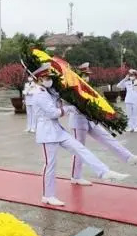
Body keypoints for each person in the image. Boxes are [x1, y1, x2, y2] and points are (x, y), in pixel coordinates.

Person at [31, 63, 129, 206]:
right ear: (39, 79)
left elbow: (59, 99)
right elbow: (53, 113)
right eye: (47, 78)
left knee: (80, 149)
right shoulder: (39, 94)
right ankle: (48, 195)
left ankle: (104, 172)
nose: (50, 80)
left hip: (57, 130)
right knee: (50, 164)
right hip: (47, 132)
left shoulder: (48, 91)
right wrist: (68, 109)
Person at [69, 63, 137, 185]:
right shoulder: (73, 87)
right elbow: (68, 104)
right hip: (79, 121)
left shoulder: (88, 87)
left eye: (88, 75)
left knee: (108, 138)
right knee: (80, 149)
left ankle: (129, 158)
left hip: (91, 121)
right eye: (84, 75)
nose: (87, 78)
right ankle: (76, 176)